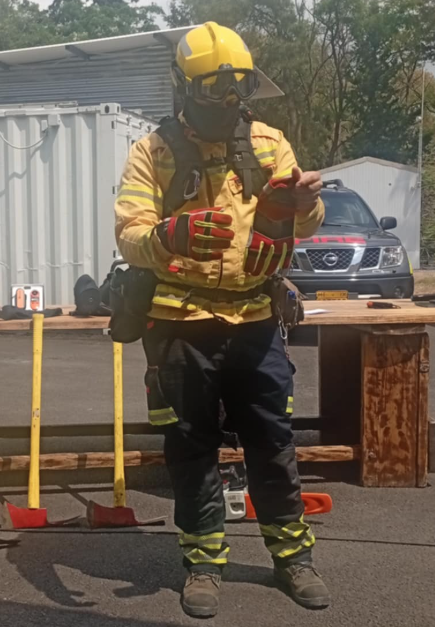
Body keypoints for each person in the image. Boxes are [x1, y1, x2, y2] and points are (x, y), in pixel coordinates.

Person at [114, 22, 331, 619]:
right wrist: (168, 235)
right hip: (178, 320)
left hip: (256, 315)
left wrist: (301, 204)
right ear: (184, 88)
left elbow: (307, 222)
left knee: (272, 441)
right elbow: (130, 234)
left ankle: (293, 558)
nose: (227, 104)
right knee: (190, 446)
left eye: (236, 91)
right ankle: (203, 563)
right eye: (213, 92)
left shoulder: (268, 143)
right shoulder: (152, 152)